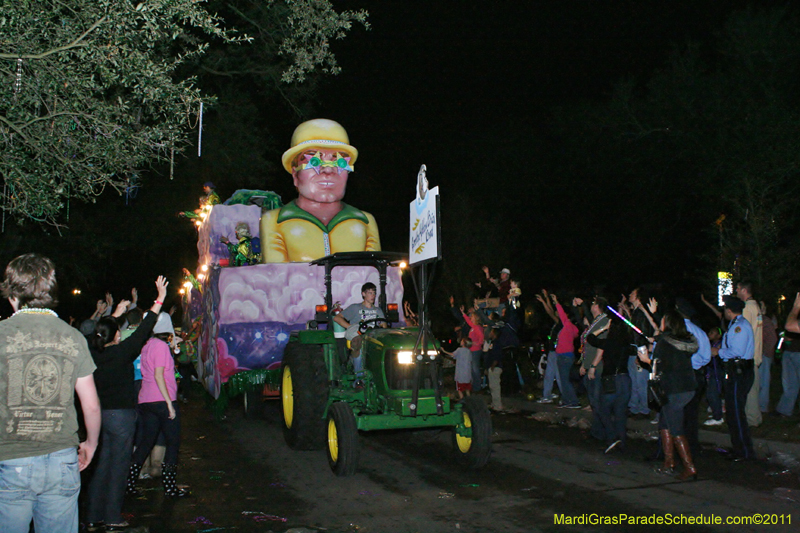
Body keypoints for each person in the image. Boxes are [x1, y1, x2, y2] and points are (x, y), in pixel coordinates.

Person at [0, 253, 102, 533]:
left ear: (12, 295)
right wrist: (91, 444)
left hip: (10, 458)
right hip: (62, 459)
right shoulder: (73, 337)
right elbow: (91, 405)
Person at [84, 278, 166, 531]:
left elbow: (98, 333)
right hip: (120, 417)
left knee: (103, 465)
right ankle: (111, 517)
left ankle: (92, 516)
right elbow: (145, 328)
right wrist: (160, 298)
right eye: (118, 331)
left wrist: (116, 315)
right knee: (119, 467)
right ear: (116, 335)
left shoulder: (93, 352)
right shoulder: (121, 353)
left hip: (100, 416)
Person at [260, 118, 381, 262]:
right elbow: (276, 273)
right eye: (314, 161)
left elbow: (376, 273)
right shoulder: (274, 221)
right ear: (295, 174)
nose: (328, 170)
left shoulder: (365, 221)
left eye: (339, 162)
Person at [128, 312, 189, 497]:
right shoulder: (161, 346)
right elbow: (159, 375)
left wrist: (173, 345)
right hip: (162, 399)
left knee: (146, 442)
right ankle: (170, 487)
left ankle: (129, 483)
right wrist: (169, 404)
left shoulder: (147, 344)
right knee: (173, 443)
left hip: (146, 400)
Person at [637, 310, 699, 480]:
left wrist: (646, 360)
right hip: (687, 387)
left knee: (675, 428)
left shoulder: (665, 343)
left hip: (674, 389)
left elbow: (658, 365)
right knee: (665, 423)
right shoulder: (684, 340)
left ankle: (689, 468)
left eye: (663, 321)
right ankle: (668, 463)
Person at [712, 295, 756, 461]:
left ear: (729, 310)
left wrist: (718, 352)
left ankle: (744, 451)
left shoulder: (740, 327)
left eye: (725, 308)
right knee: (732, 411)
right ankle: (739, 447)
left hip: (739, 372)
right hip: (735, 371)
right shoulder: (735, 324)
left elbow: (736, 351)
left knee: (736, 413)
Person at [586, 309, 634, 454]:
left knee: (602, 410)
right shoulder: (627, 343)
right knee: (620, 412)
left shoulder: (608, 342)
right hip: (625, 379)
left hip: (611, 379)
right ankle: (621, 441)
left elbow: (590, 337)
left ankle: (612, 437)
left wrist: (604, 328)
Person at [675, 298, 711, 456]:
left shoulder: (676, 331)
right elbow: (706, 357)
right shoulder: (699, 331)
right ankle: (692, 446)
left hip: (681, 376)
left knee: (677, 414)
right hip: (696, 374)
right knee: (691, 413)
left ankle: (679, 449)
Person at [333, 283, 386, 371]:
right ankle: (358, 373)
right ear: (363, 294)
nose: (373, 296)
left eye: (374, 293)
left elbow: (383, 326)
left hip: (372, 335)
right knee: (359, 341)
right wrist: (350, 327)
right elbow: (337, 318)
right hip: (358, 333)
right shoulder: (355, 307)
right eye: (370, 293)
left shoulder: (378, 310)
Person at [736, 280, 763, 427]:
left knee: (749, 389)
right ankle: (754, 417)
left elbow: (744, 332)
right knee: (753, 387)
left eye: (738, 289)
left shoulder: (746, 308)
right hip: (755, 354)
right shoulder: (755, 306)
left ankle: (752, 419)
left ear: (744, 290)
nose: (736, 292)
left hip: (749, 355)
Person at [552, 294, 581, 409]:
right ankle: (566, 400)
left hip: (564, 356)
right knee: (564, 380)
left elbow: (561, 314)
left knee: (565, 380)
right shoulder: (573, 329)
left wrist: (556, 302)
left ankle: (573, 401)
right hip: (567, 355)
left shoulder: (568, 325)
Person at [776, 293, 800, 417]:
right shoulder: (792, 315)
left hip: (797, 353)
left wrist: (796, 308)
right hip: (790, 351)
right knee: (790, 384)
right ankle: (784, 410)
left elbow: (790, 327)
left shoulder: (795, 313)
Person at [759, 301, 778, 413]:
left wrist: (765, 352)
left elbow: (772, 338)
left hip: (764, 355)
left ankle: (762, 406)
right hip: (759, 354)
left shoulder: (765, 321)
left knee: (763, 382)